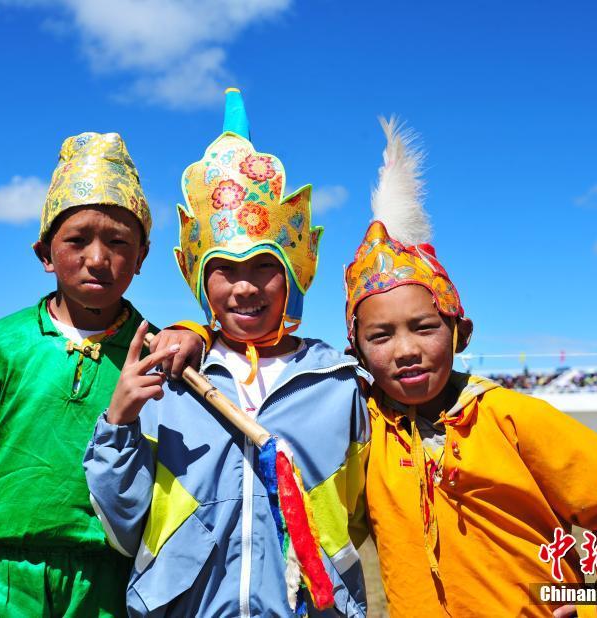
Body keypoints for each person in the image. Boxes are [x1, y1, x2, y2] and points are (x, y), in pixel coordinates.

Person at [343, 118, 597, 617]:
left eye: (424, 327)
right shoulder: (365, 431)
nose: (405, 349)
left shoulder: (512, 419)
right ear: (358, 352)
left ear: (460, 332)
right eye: (380, 336)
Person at [84, 89, 369, 617]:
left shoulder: (337, 384)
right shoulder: (172, 376)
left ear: (293, 273)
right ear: (199, 279)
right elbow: (124, 524)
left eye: (264, 264)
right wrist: (119, 424)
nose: (244, 287)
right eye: (224, 269)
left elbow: (359, 516)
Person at [0, 131, 203, 617]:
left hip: (104, 581)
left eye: (118, 242)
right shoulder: (1, 344)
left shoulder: (158, 355)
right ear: (45, 254)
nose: (97, 259)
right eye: (77, 240)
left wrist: (197, 335)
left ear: (142, 257)